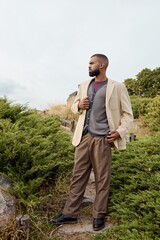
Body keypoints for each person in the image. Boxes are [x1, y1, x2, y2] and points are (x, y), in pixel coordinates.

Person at [51, 53, 133, 231]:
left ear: (102, 65)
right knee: (78, 176)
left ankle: (99, 215)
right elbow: (74, 107)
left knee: (102, 179)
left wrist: (119, 132)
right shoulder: (83, 85)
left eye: (91, 63)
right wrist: (79, 106)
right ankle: (70, 214)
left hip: (103, 138)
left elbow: (128, 115)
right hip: (83, 136)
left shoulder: (117, 87)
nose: (88, 66)